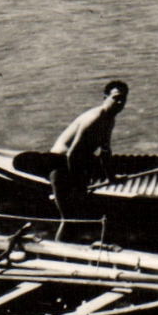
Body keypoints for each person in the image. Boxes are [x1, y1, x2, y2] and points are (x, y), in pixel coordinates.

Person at [48, 80, 129, 238]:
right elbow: (72, 153)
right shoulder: (95, 118)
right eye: (116, 98)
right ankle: (59, 253)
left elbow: (105, 152)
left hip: (77, 163)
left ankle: (72, 246)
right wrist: (77, 185)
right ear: (105, 97)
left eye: (123, 99)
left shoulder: (109, 119)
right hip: (60, 164)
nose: (120, 102)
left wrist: (111, 177)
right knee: (69, 218)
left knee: (78, 214)